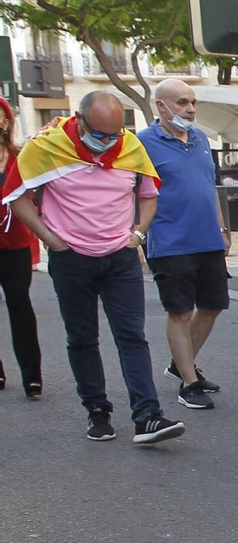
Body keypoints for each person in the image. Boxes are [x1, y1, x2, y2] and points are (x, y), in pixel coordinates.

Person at [1, 91, 184, 443]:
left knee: (132, 336)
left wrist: (139, 232)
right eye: (99, 134)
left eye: (114, 133)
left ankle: (148, 416)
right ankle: (97, 411)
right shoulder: (46, 147)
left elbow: (149, 194)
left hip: (120, 257)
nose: (107, 142)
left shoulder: (130, 146)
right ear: (79, 119)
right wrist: (50, 240)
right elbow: (17, 197)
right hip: (71, 258)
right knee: (83, 337)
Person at [138, 79, 230, 411]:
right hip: (170, 241)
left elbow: (209, 186)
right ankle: (188, 383)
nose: (190, 109)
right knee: (179, 311)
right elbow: (134, 194)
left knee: (213, 305)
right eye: (181, 102)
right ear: (160, 106)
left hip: (207, 239)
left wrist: (221, 229)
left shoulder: (200, 138)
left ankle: (181, 363)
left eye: (192, 102)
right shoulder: (143, 143)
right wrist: (135, 236)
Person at [0, 96, 43, 399]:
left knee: (20, 305)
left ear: (6, 121)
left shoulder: (19, 156)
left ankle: (32, 376)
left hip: (14, 242)